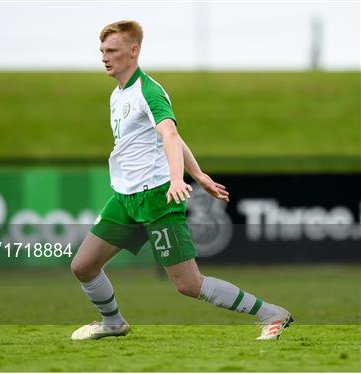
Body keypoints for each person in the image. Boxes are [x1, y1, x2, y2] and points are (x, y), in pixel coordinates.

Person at [70, 20, 293, 341]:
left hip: (158, 198)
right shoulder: (117, 95)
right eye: (102, 50)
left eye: (113, 50)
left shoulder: (148, 90)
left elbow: (170, 133)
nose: (105, 57)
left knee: (188, 285)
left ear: (133, 51)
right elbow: (171, 137)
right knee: (83, 266)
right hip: (125, 198)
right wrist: (199, 174)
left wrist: (178, 178)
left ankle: (271, 313)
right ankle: (113, 322)